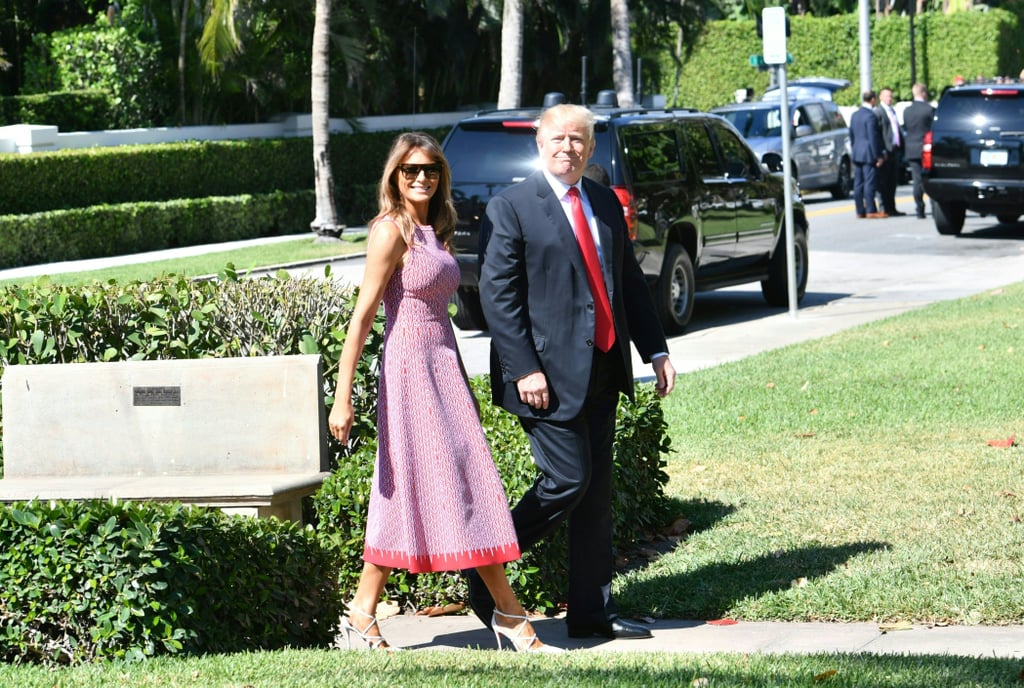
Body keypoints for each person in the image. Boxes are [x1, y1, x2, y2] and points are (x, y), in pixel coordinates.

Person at [327, 132, 559, 654]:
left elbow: (439, 316)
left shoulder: (436, 229)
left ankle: (362, 614)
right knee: (443, 484)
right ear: (395, 176)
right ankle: (509, 615)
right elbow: (362, 319)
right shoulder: (391, 232)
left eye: (429, 169)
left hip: (442, 371)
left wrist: (461, 385)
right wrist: (343, 398)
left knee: (453, 483)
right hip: (408, 373)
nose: (420, 178)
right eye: (409, 170)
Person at [467, 103, 677, 641]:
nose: (569, 148)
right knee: (568, 480)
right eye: (559, 138)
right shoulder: (511, 206)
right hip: (543, 378)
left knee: (596, 494)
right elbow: (499, 296)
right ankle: (481, 564)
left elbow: (628, 281)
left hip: (604, 365)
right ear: (540, 143)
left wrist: (655, 350)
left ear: (590, 145)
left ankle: (592, 613)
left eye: (579, 139)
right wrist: (523, 371)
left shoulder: (603, 200)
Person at [850, 90, 887, 219]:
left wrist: (854, 149)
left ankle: (860, 210)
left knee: (858, 183)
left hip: (857, 152)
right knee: (869, 182)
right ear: (872, 99)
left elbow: (852, 136)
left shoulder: (854, 115)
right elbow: (873, 137)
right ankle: (871, 209)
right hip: (868, 153)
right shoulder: (870, 116)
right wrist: (878, 155)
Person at [902, 83, 935, 219]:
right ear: (924, 93)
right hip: (926, 148)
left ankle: (919, 209)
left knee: (917, 180)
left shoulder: (907, 111)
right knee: (931, 178)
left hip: (911, 148)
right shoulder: (929, 110)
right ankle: (934, 208)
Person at [873, 87, 905, 216]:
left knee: (892, 181)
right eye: (886, 96)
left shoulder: (892, 111)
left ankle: (892, 207)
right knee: (883, 182)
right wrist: (881, 152)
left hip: (894, 150)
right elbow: (878, 134)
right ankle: (884, 207)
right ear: (880, 97)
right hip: (885, 151)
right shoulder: (878, 112)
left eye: (891, 96)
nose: (889, 98)